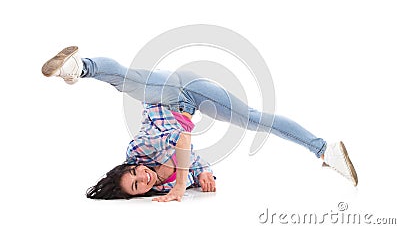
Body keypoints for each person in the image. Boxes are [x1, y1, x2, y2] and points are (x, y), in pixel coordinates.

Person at [41, 46, 358, 202]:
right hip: (194, 101)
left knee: (126, 81)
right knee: (252, 120)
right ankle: (326, 151)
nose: (143, 177)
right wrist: (203, 175)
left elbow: (182, 142)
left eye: (134, 174)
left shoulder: (138, 150)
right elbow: (195, 160)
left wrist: (181, 185)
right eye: (139, 186)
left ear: (128, 166)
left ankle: (79, 67)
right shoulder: (162, 186)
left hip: (168, 92)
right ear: (138, 195)